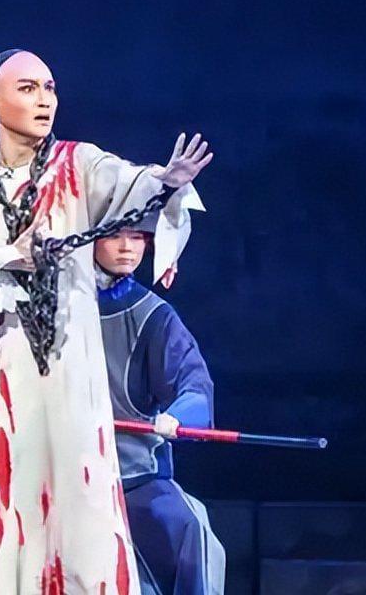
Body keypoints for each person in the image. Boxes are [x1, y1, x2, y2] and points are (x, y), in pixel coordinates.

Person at [0, 49, 211, 593]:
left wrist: (165, 182)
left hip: (67, 362)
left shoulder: (78, 163)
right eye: (27, 88)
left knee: (77, 494)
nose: (44, 99)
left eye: (49, 88)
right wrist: (1, 258)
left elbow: (130, 183)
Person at [94, 228, 225, 594]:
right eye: (114, 235)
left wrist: (178, 416)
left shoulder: (153, 315)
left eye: (137, 237)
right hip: (57, 473)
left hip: (134, 476)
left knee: (190, 531)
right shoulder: (52, 308)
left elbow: (194, 385)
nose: (127, 247)